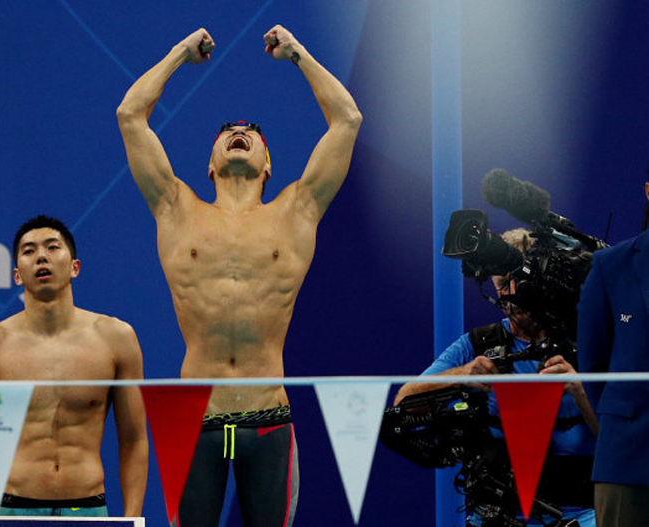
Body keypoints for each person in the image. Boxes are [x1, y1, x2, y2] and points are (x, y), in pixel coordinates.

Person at [116, 25, 362, 527]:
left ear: (268, 165)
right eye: (226, 131)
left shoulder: (297, 211)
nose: (238, 131)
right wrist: (179, 53)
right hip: (196, 419)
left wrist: (298, 54)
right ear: (209, 166)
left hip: (269, 419)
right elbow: (130, 115)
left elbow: (347, 119)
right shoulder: (175, 208)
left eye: (252, 134)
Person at [395, 228, 598, 526]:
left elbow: (621, 439)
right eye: (501, 285)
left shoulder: (588, 343)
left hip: (580, 516)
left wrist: (580, 391)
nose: (509, 295)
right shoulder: (477, 345)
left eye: (517, 282)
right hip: (493, 516)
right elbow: (404, 402)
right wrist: (462, 375)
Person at [0, 215, 148, 524]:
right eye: (29, 250)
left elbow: (134, 439)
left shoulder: (116, 339)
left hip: (88, 508)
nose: (41, 257)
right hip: (16, 509)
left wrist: (133, 519)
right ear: (17, 275)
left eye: (52, 247)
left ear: (75, 267)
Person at [576, 181, 649, 527]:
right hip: (627, 459)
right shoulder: (610, 265)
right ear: (648, 190)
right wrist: (621, 420)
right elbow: (592, 364)